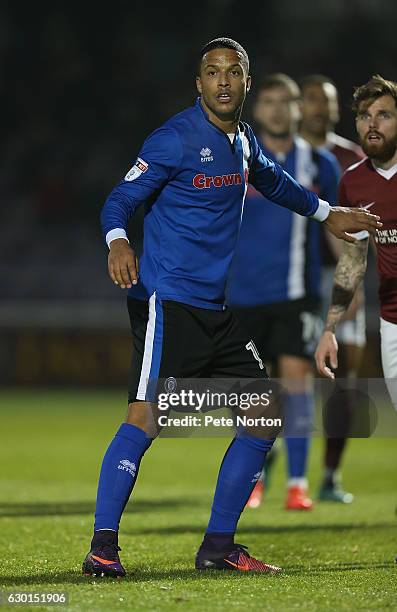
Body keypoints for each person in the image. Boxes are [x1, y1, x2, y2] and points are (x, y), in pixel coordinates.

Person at [82, 38, 381, 578]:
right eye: (212, 72)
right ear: (199, 84)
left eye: (233, 73)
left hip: (214, 312)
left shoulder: (242, 141)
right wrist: (118, 241)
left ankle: (218, 547)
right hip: (166, 303)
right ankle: (103, 547)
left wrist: (325, 212)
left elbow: (273, 179)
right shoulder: (174, 138)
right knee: (145, 417)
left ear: (246, 82)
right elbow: (120, 199)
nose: (223, 81)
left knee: (266, 412)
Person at [227, 74, 340, 511]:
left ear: (299, 109)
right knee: (252, 394)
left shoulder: (320, 163)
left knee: (296, 384)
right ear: (257, 109)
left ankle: (297, 483)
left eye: (286, 101)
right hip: (239, 295)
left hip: (296, 294)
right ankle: (254, 480)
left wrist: (348, 291)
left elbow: (334, 229)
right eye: (269, 101)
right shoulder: (232, 157)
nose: (277, 109)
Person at [299, 75, 366, 503]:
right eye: (311, 101)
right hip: (293, 281)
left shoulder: (352, 157)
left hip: (343, 276)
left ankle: (329, 476)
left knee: (345, 381)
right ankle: (269, 469)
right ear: (298, 107)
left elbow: (367, 223)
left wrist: (354, 280)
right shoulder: (278, 156)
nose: (320, 109)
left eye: (328, 102)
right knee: (284, 376)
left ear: (337, 109)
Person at [316, 75, 397, 413]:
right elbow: (352, 259)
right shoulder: (353, 181)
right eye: (364, 116)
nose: (372, 124)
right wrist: (330, 328)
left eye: (384, 115)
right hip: (392, 321)